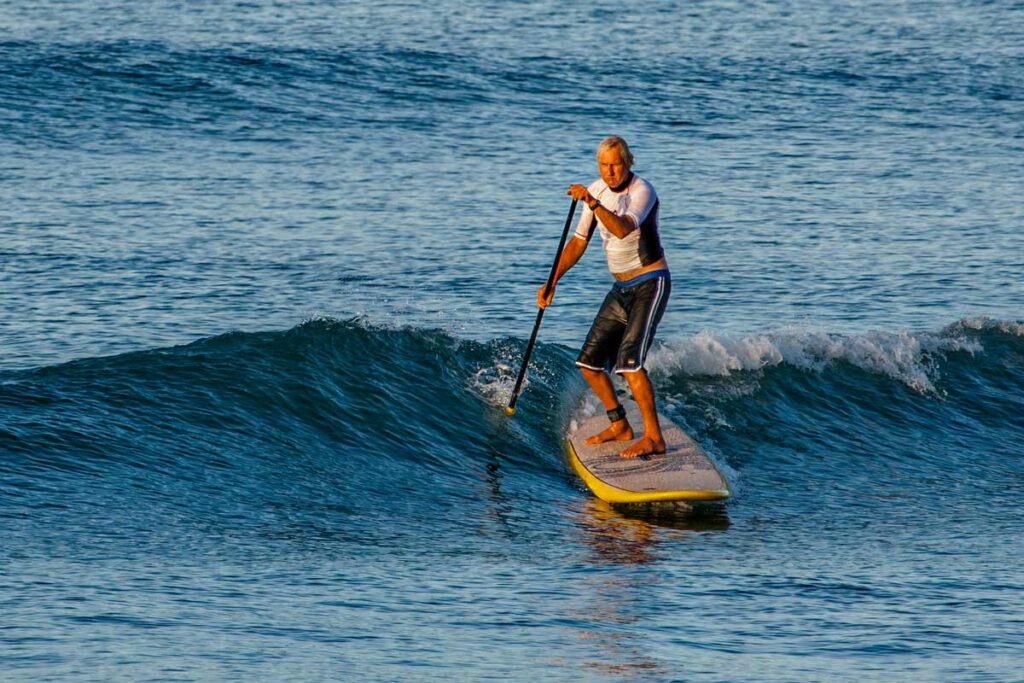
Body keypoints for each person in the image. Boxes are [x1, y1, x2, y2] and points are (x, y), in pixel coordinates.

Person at [538, 136, 671, 459]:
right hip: (620, 288)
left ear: (628, 163)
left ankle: (654, 438)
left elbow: (624, 228)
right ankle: (620, 424)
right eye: (604, 165)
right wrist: (552, 280)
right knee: (589, 362)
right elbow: (578, 242)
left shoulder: (643, 191)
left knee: (629, 364)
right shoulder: (596, 190)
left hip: (650, 283)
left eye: (616, 164)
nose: (610, 172)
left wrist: (594, 204)